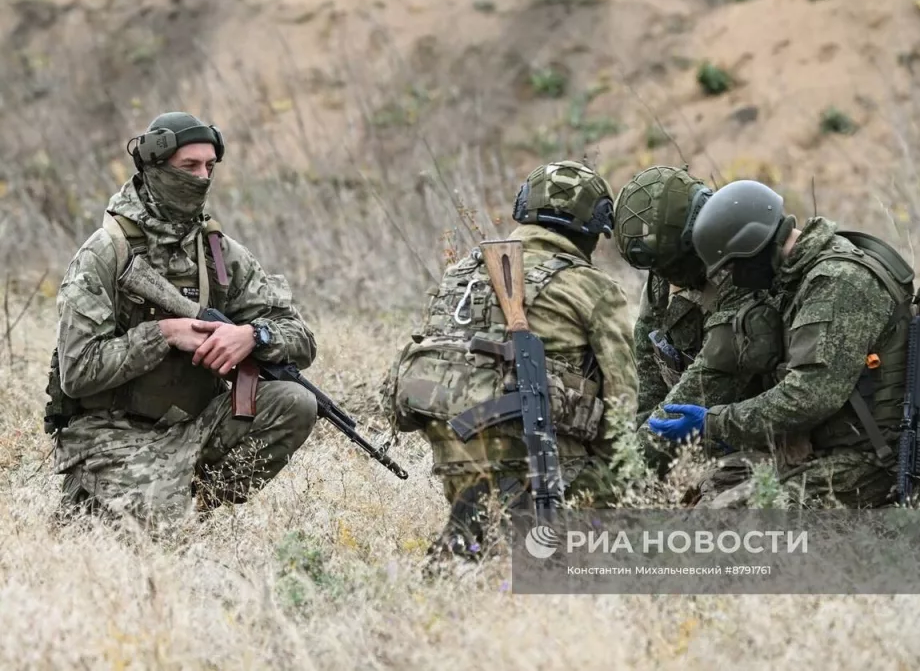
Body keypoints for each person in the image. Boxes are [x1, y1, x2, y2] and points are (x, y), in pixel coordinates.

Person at [46, 111, 319, 530]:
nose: (201, 177)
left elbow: (300, 338)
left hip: (195, 425)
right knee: (150, 539)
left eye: (209, 166)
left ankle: (202, 506)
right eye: (188, 167)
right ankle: (111, 504)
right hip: (111, 433)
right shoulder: (106, 253)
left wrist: (251, 336)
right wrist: (164, 334)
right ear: (155, 167)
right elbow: (78, 372)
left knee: (295, 401)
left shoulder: (219, 254)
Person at [642, 179, 920, 508]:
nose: (733, 278)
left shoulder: (838, 282)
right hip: (819, 447)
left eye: (733, 266)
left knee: (733, 519)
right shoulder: (797, 277)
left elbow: (810, 397)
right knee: (707, 489)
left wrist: (714, 423)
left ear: (753, 248)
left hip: (869, 461)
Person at [382, 159, 638, 560]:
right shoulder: (592, 288)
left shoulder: (460, 274)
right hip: (544, 472)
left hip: (453, 468)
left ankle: (475, 532)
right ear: (594, 226)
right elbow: (625, 410)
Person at [612, 165, 757, 477]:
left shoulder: (742, 272)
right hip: (705, 440)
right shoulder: (663, 275)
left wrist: (628, 476)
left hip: (760, 440)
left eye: (673, 265)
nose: (668, 277)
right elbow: (649, 372)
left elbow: (709, 378)